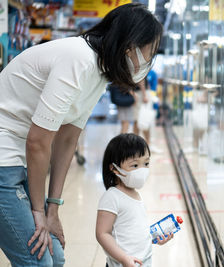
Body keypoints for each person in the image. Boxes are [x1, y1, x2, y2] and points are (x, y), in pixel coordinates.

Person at [0, 3, 162, 266]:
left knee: (56, 255)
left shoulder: (99, 73)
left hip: (18, 159)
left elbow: (67, 139)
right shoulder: (78, 59)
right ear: (129, 46)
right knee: (39, 260)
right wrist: (38, 212)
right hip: (4, 154)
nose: (149, 60)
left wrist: (53, 208)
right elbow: (38, 141)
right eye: (149, 51)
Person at [96, 133, 173, 267]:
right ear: (114, 168)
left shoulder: (136, 194)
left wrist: (154, 237)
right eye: (135, 165)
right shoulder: (112, 196)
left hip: (143, 262)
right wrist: (124, 258)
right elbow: (102, 233)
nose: (142, 170)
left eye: (146, 163)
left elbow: (132, 228)